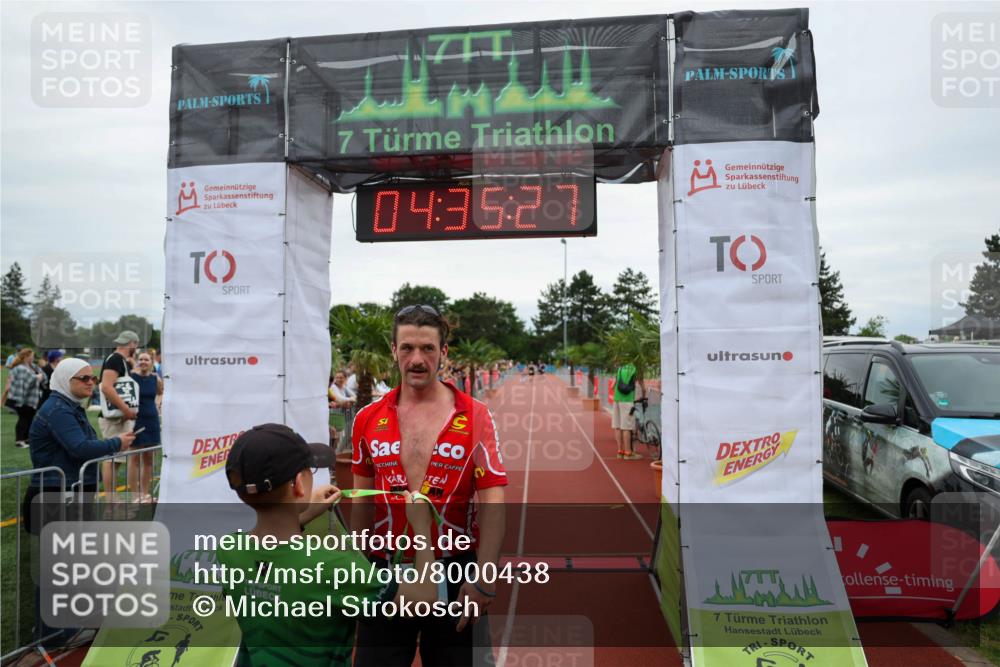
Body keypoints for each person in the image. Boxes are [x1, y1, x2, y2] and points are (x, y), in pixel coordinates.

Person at [351, 304, 506, 667]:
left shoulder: (476, 416)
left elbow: (493, 504)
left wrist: (483, 580)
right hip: (384, 573)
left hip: (456, 573)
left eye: (427, 348)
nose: (417, 359)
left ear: (443, 353)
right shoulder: (366, 418)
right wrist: (355, 570)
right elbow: (360, 503)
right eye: (407, 348)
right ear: (394, 351)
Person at [217, 423, 438, 667]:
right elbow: (423, 599)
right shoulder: (335, 567)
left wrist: (301, 514)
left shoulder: (230, 550)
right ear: (299, 484)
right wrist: (422, 529)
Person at [23, 358, 135, 644]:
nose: (91, 383)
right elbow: (80, 448)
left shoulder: (69, 406)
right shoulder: (59, 409)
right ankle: (53, 635)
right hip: (56, 497)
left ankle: (64, 627)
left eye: (93, 378)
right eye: (83, 378)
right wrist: (116, 444)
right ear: (64, 379)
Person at [99, 330, 140, 497]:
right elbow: (106, 387)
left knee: (116, 460)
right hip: (114, 418)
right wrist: (126, 410)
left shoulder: (120, 360)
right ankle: (111, 499)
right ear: (132, 344)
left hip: (119, 417)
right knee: (112, 459)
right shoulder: (115, 359)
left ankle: (112, 498)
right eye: (136, 345)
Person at [129, 351, 162, 503]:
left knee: (149, 459)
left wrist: (158, 404)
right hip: (136, 421)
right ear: (137, 361)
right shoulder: (131, 377)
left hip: (152, 421)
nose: (143, 362)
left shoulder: (156, 378)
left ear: (152, 362)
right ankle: (135, 496)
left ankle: (145, 494)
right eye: (141, 359)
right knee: (134, 458)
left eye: (146, 359)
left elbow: (161, 393)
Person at [4, 348, 46, 448]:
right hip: (21, 398)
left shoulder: (33, 366)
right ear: (26, 356)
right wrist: (37, 377)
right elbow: (28, 379)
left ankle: (27, 439)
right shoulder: (20, 368)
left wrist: (40, 377)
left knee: (30, 419)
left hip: (33, 398)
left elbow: (43, 376)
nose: (33, 357)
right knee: (23, 419)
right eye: (32, 356)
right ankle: (19, 441)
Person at [612, 362, 643, 460]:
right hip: (627, 400)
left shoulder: (620, 367)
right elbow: (640, 382)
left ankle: (620, 451)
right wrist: (644, 392)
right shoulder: (634, 367)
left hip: (616, 399)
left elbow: (614, 384)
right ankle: (628, 453)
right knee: (626, 427)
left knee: (617, 426)